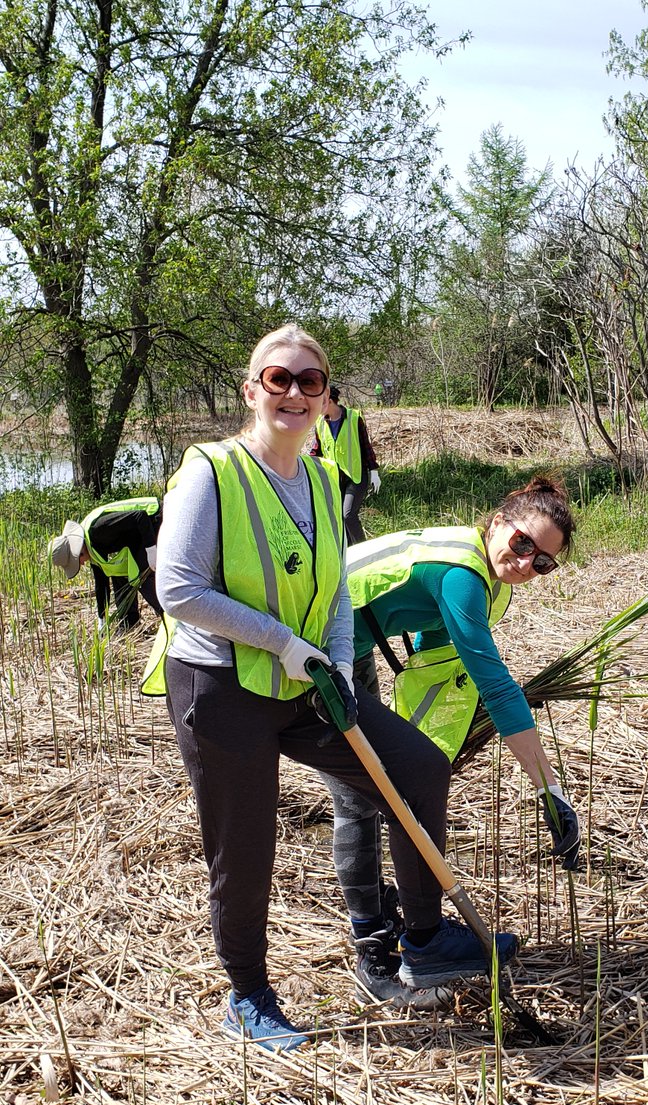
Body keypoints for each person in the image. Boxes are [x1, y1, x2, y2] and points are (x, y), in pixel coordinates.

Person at [142, 323, 516, 1052]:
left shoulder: (319, 475)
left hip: (307, 682)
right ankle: (247, 993)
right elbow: (179, 588)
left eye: (309, 381)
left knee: (415, 767)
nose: (293, 392)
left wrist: (337, 666)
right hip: (220, 688)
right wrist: (284, 644)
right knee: (244, 847)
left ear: (324, 397)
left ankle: (424, 939)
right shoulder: (210, 472)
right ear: (252, 390)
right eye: (278, 379)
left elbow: (335, 589)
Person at [332, 476, 581, 1009]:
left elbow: (428, 649)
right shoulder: (464, 577)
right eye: (522, 544)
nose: (526, 562)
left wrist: (423, 749)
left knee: (390, 786)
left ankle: (402, 924)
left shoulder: (488, 581)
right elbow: (496, 686)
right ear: (497, 523)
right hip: (311, 639)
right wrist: (548, 789)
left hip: (351, 641)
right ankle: (373, 952)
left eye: (542, 562)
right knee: (359, 798)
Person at [48, 498, 163, 631]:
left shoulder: (97, 530)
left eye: (76, 561)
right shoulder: (92, 549)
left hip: (155, 519)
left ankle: (173, 618)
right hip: (136, 537)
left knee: (143, 578)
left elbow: (140, 516)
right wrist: (102, 618)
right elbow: (101, 584)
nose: (82, 563)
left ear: (78, 551)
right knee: (119, 574)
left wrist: (151, 549)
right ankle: (129, 626)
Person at [308, 384, 381, 545]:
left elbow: (365, 446)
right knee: (339, 519)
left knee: (348, 515)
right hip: (335, 479)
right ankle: (348, 553)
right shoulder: (320, 423)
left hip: (355, 476)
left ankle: (364, 549)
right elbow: (316, 452)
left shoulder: (354, 418)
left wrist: (374, 470)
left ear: (330, 401)